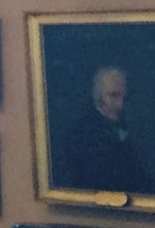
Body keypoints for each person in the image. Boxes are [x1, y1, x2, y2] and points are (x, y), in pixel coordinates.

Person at [54, 66, 143, 194]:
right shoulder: (82, 134)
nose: (121, 104)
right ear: (97, 95)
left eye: (124, 97)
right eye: (113, 96)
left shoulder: (131, 127)